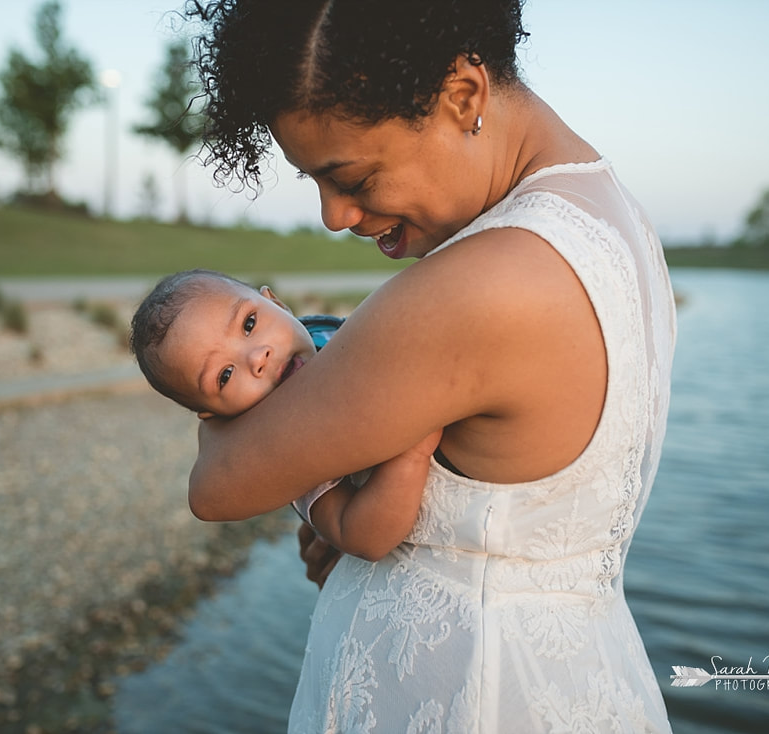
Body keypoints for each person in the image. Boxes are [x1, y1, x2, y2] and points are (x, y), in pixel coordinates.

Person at [184, 1, 677, 731]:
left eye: (350, 176)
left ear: (463, 97)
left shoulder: (482, 284)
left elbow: (218, 485)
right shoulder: (613, 219)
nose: (334, 216)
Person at [129, 269, 440, 561]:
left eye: (249, 324)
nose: (257, 357)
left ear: (277, 303)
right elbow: (361, 536)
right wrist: (414, 451)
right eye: (224, 375)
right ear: (213, 415)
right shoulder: (281, 451)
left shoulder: (331, 333)